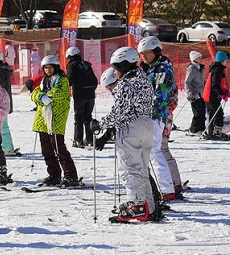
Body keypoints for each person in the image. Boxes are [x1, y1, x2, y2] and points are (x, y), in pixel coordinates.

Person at [92, 47, 160, 223]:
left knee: (131, 169)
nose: (115, 72)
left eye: (117, 67)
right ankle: (149, 207)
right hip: (146, 125)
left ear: (123, 65)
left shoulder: (125, 84)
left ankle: (137, 206)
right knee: (142, 168)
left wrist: (100, 124)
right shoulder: (143, 78)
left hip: (131, 128)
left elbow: (119, 111)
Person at [137, 36, 181, 200]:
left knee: (155, 151)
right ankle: (167, 186)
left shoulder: (162, 70)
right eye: (141, 54)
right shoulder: (147, 69)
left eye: (146, 53)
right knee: (156, 150)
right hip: (149, 116)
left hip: (156, 116)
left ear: (155, 51)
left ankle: (166, 189)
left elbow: (160, 96)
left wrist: (145, 111)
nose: (143, 57)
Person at [31, 55, 79, 186]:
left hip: (56, 120)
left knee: (59, 148)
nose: (48, 70)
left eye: (50, 67)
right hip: (43, 121)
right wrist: (41, 96)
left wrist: (45, 97)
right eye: (45, 68)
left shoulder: (62, 80)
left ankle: (71, 175)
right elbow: (34, 94)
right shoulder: (43, 82)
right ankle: (54, 174)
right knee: (46, 150)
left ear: (55, 67)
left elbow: (59, 94)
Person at [65, 46, 97, 148]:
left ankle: (78, 140)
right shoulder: (87, 64)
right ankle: (90, 139)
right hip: (91, 94)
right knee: (88, 116)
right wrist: (91, 90)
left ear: (69, 56)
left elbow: (70, 80)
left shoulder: (71, 65)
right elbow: (95, 80)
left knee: (78, 117)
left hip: (79, 95)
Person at [203, 51, 230, 141]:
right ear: (222, 61)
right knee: (218, 114)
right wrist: (222, 94)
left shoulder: (216, 69)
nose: (226, 62)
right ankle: (217, 133)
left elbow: (219, 84)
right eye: (225, 60)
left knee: (213, 114)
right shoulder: (218, 70)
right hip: (211, 96)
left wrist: (225, 91)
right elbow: (215, 84)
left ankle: (211, 133)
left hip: (208, 96)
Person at [184, 51, 206, 134]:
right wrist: (190, 93)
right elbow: (187, 82)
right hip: (194, 94)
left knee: (202, 111)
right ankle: (194, 130)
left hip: (201, 93)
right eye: (199, 57)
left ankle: (201, 129)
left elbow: (201, 80)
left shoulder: (201, 68)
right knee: (197, 112)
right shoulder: (191, 68)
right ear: (195, 59)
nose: (201, 59)